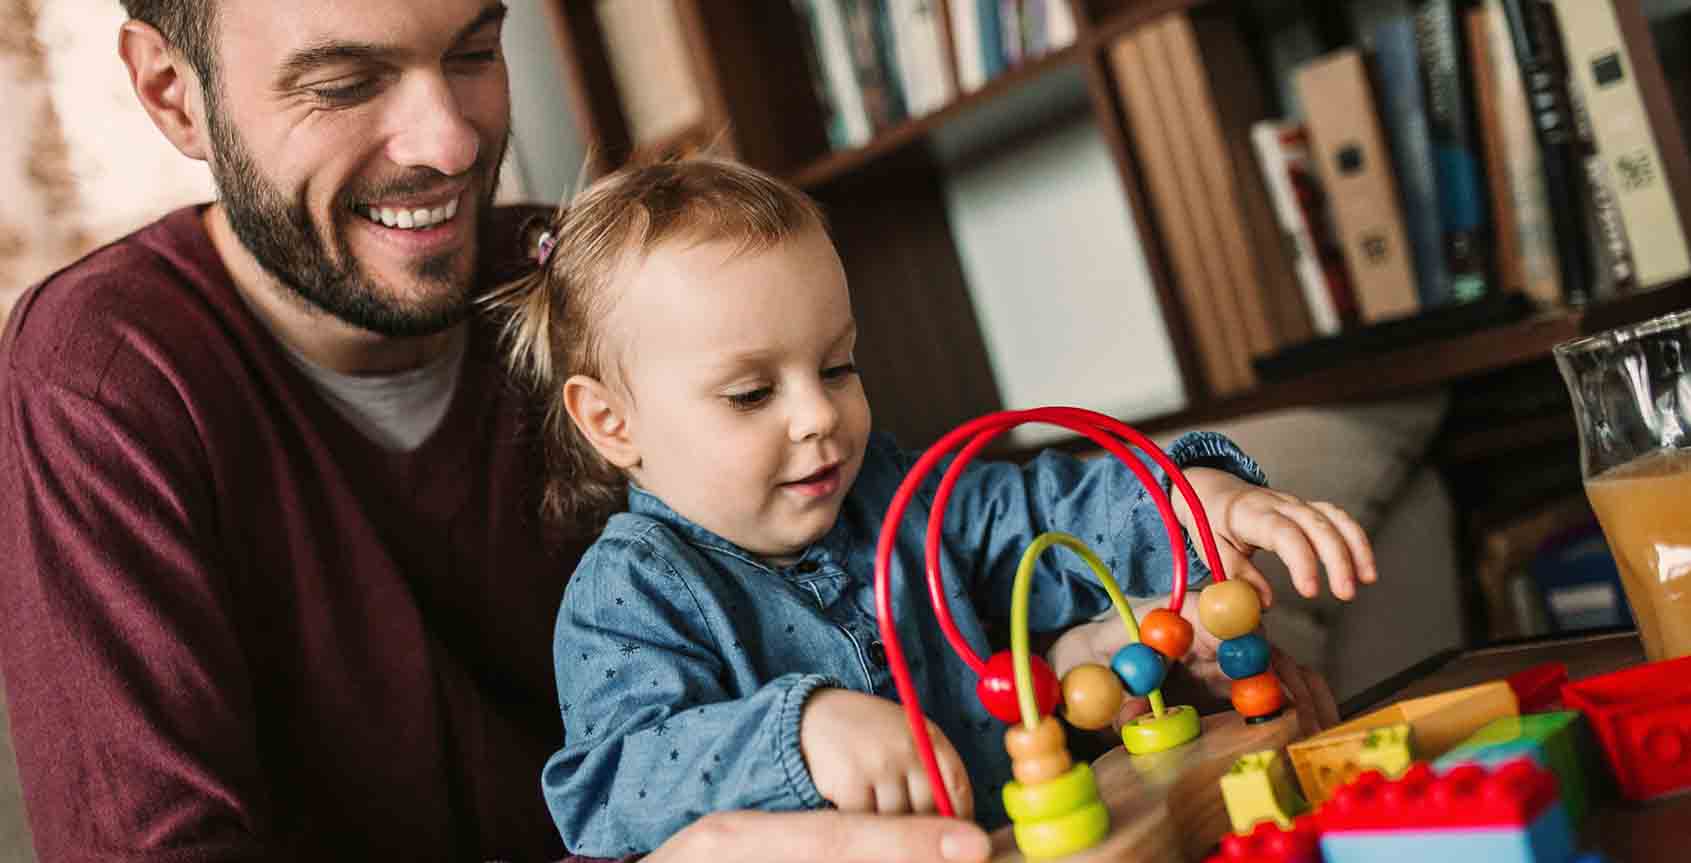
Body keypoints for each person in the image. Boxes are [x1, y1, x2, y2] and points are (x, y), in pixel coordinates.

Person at [0, 1, 1045, 860]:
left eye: (473, 51)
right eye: (345, 83)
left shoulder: (587, 290)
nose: (451, 141)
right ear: (171, 91)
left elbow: (891, 565)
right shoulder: (100, 377)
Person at [486, 158, 1378, 858]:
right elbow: (607, 788)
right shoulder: (629, 594)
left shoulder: (898, 494)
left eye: (837, 366)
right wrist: (800, 729)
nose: (817, 415)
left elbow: (1044, 513)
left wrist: (1201, 501)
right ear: (611, 421)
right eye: (752, 393)